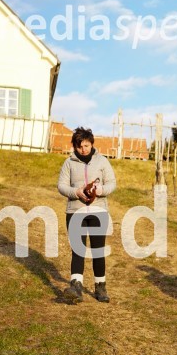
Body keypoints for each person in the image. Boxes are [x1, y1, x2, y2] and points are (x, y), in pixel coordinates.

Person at [57, 127, 117, 304]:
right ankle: (76, 287)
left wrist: (101, 190)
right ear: (75, 146)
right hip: (75, 212)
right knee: (78, 250)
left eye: (87, 145)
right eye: (80, 146)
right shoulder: (68, 163)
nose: (84, 149)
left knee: (98, 251)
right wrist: (76, 192)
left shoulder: (102, 162)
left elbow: (112, 183)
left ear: (92, 144)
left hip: (98, 212)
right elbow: (61, 186)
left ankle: (101, 287)